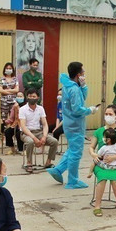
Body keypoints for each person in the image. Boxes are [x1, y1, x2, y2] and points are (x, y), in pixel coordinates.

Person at [48, 61, 100, 190]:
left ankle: (58, 170)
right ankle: (72, 180)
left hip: (69, 123)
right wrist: (90, 110)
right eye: (83, 73)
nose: (84, 75)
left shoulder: (68, 85)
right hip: (75, 124)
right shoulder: (74, 89)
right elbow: (78, 108)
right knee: (76, 153)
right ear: (78, 74)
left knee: (72, 150)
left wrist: (84, 86)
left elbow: (82, 98)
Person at [89, 105, 116, 217]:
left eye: (110, 114)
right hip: (101, 164)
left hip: (115, 165)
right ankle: (97, 205)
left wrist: (114, 158)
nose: (107, 116)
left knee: (115, 181)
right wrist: (94, 154)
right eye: (106, 114)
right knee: (102, 179)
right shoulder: (99, 131)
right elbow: (91, 147)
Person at [20, 88, 56, 170]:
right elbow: (23, 127)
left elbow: (45, 124)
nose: (32, 98)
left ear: (38, 98)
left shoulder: (40, 109)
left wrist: (44, 136)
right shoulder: (22, 109)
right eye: (30, 96)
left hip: (38, 132)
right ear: (27, 97)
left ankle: (48, 162)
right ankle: (29, 163)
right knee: (30, 142)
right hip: (26, 133)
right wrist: (34, 138)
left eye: (34, 96)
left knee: (54, 141)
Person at [2, 90, 24, 156]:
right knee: (7, 132)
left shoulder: (26, 106)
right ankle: (12, 149)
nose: (19, 97)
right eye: (18, 96)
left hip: (24, 125)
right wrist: (4, 122)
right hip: (15, 124)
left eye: (21, 96)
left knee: (18, 134)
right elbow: (11, 118)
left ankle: (21, 150)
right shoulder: (14, 106)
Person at [0, 62, 19, 128]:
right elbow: (0, 90)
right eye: (7, 68)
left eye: (10, 68)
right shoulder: (1, 79)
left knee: (13, 117)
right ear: (4, 69)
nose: (8, 69)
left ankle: (11, 134)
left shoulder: (15, 79)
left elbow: (17, 90)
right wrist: (12, 90)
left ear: (12, 70)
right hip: (4, 102)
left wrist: (6, 90)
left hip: (13, 101)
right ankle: (4, 135)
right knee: (3, 118)